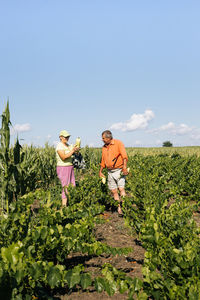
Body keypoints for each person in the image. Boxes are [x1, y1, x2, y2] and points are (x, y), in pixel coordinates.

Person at [99, 130, 128, 216]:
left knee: (121, 189)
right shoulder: (104, 147)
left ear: (108, 138)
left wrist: (125, 167)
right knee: (114, 191)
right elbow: (103, 160)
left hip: (119, 170)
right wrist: (100, 171)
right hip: (109, 172)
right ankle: (119, 208)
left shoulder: (118, 143)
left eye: (103, 138)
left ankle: (125, 207)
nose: (102, 140)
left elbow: (124, 156)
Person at [56, 130, 79, 206]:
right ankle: (64, 206)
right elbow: (64, 157)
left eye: (68, 137)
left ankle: (69, 203)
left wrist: (76, 150)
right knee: (65, 186)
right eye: (65, 137)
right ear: (61, 137)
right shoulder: (59, 146)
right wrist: (72, 150)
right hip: (63, 168)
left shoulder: (68, 145)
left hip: (70, 167)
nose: (67, 138)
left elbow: (74, 153)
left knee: (72, 185)